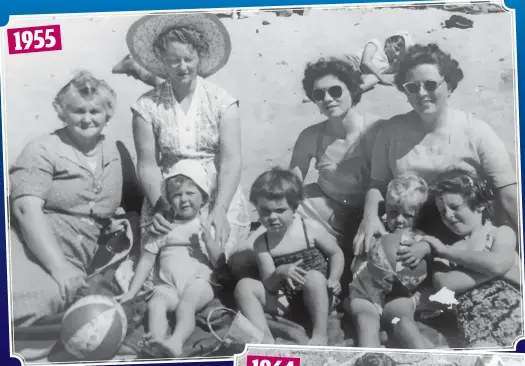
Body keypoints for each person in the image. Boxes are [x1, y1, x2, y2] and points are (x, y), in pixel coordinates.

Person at [354, 43, 519, 258]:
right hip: (411, 228)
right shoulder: (390, 131)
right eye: (412, 87)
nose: (421, 93)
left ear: (449, 86)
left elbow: (507, 191)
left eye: (430, 85)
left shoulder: (475, 130)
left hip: (464, 230)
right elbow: (376, 184)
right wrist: (370, 218)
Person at [123, 13, 250, 262]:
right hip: (168, 193)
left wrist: (221, 208)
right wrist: (160, 204)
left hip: (216, 191)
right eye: (174, 60)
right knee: (165, 258)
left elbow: (231, 161)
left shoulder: (223, 101)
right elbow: (147, 163)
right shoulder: (146, 106)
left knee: (218, 258)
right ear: (161, 60)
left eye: (188, 59)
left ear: (199, 57)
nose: (183, 67)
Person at [9, 71, 131, 326]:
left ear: (107, 114)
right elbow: (24, 209)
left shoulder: (113, 153)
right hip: (29, 249)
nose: (87, 119)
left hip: (77, 258)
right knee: (39, 300)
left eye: (95, 111)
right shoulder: (43, 148)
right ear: (61, 111)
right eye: (77, 111)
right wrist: (59, 267)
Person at [290, 57, 382, 294]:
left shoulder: (376, 129)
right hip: (326, 209)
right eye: (319, 95)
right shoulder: (310, 136)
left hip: (370, 211)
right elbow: (290, 187)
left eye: (335, 90)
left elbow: (386, 181)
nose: (328, 99)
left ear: (352, 90)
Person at [120, 159, 222, 357]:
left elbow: (220, 263)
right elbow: (147, 261)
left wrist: (209, 243)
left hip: (198, 282)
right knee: (156, 304)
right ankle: (157, 341)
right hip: (169, 286)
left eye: (190, 193)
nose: (183, 199)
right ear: (169, 200)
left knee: (187, 305)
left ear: (203, 196)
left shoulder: (206, 226)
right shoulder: (163, 228)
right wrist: (132, 292)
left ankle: (175, 342)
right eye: (176, 195)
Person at [234, 167, 344, 346]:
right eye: (265, 211)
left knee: (314, 277)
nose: (272, 217)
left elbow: (336, 253)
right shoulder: (262, 243)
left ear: (295, 207)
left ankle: (320, 335)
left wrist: (334, 278)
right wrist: (280, 272)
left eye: (280, 210)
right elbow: (269, 284)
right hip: (284, 299)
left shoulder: (309, 228)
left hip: (318, 296)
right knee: (244, 286)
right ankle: (265, 340)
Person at [422, 170, 522, 348]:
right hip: (478, 331)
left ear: (479, 204)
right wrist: (498, 270)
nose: (448, 215)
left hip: (517, 319)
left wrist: (447, 253)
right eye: (442, 212)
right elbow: (445, 284)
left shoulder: (500, 233)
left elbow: (497, 263)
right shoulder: (447, 250)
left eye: (454, 207)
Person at [347, 174, 432, 349]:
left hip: (398, 293)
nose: (399, 220)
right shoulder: (375, 228)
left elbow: (431, 248)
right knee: (366, 321)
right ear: (385, 207)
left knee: (404, 322)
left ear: (419, 215)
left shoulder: (418, 237)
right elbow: (358, 253)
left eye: (408, 215)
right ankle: (370, 357)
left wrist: (425, 247)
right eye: (393, 212)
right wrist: (373, 246)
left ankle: (424, 357)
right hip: (366, 290)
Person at [344, 31, 413, 93]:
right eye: (396, 49)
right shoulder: (376, 44)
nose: (397, 54)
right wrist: (382, 79)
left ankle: (352, 93)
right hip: (351, 61)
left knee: (374, 79)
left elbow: (395, 77)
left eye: (401, 53)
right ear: (389, 42)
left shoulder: (390, 65)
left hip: (358, 75)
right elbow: (366, 62)